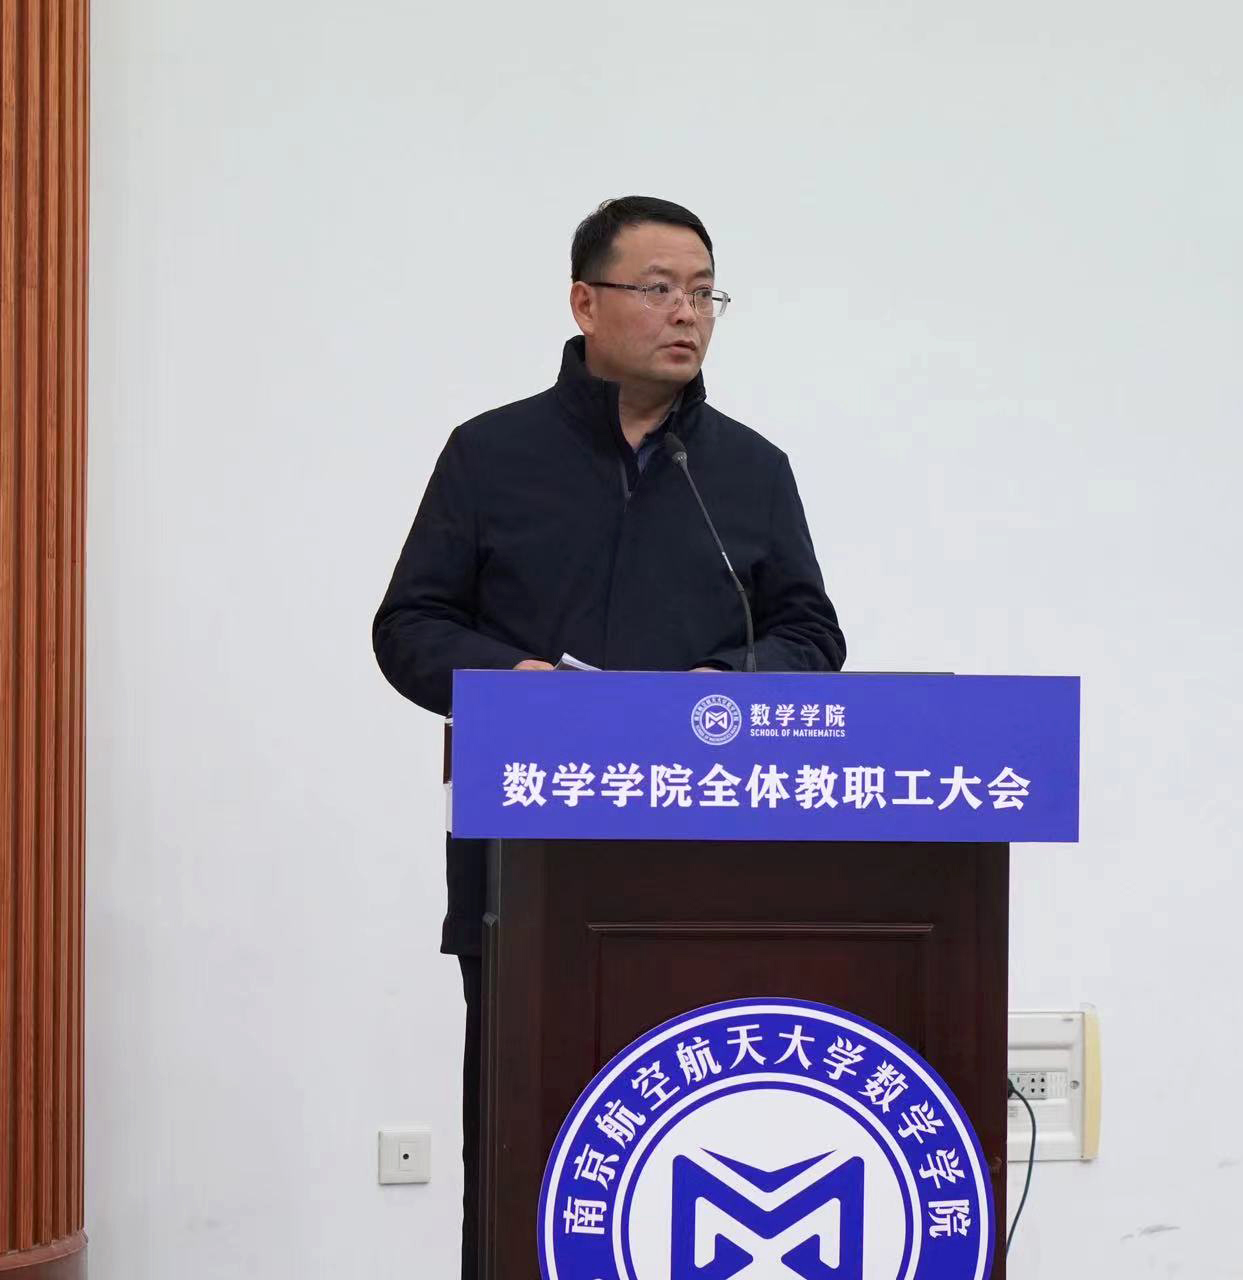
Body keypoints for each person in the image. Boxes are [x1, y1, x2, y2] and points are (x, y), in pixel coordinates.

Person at [371, 195, 845, 1279]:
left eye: (705, 292)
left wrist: (725, 684)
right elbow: (410, 627)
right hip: (525, 870)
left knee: (692, 1147)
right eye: (660, 288)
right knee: (528, 1159)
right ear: (585, 302)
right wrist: (515, 684)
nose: (688, 313)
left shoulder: (749, 470)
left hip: (709, 866)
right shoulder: (491, 455)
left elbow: (812, 634)